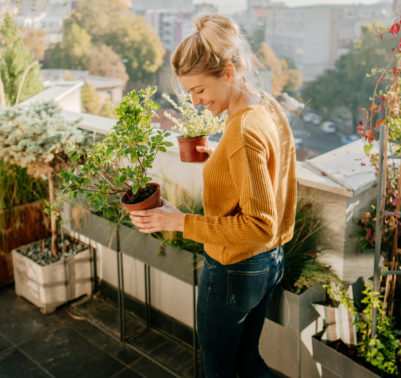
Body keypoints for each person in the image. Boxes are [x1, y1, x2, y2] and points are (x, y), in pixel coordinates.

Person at [129, 14, 297, 378]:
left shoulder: (242, 132)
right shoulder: (263, 104)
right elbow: (270, 164)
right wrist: (218, 156)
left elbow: (258, 225)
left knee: (220, 370)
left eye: (200, 90)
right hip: (269, 263)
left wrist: (177, 221)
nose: (195, 100)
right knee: (247, 362)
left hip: (236, 268)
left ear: (229, 73)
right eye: (189, 92)